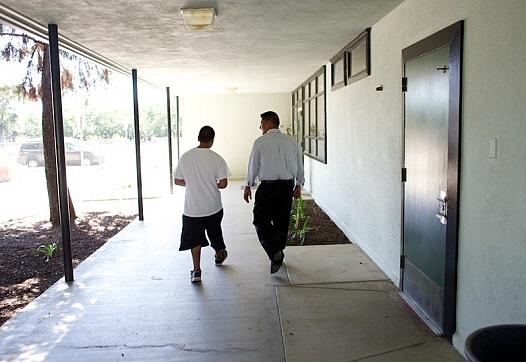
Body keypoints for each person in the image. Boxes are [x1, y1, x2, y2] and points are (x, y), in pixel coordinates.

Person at [244, 111, 304, 274]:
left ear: (270, 123)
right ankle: (277, 251)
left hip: (268, 188)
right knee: (281, 221)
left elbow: (253, 165)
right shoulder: (292, 142)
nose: (260, 126)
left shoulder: (260, 142)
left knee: (259, 220)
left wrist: (249, 184)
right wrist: (298, 184)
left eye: (262, 123)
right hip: (286, 187)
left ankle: (274, 252)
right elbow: (300, 164)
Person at [174, 126, 231, 283]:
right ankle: (220, 254)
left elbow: (177, 180)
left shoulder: (186, 157)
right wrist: (212, 184)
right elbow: (224, 183)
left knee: (194, 240)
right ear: (212, 140)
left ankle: (197, 271)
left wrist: (193, 183)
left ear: (198, 138)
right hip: (213, 206)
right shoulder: (217, 158)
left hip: (192, 209)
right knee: (215, 233)